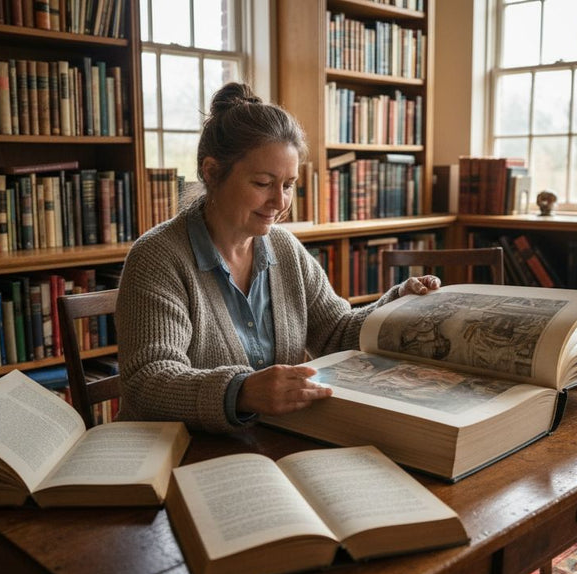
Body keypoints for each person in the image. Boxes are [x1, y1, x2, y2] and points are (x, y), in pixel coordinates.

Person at [115, 82, 439, 432]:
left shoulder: (285, 249)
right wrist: (240, 392)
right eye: (263, 183)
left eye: (287, 185)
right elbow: (148, 381)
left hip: (268, 442)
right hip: (175, 454)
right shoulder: (158, 257)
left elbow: (336, 331)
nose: (280, 202)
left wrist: (396, 307)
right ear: (211, 172)